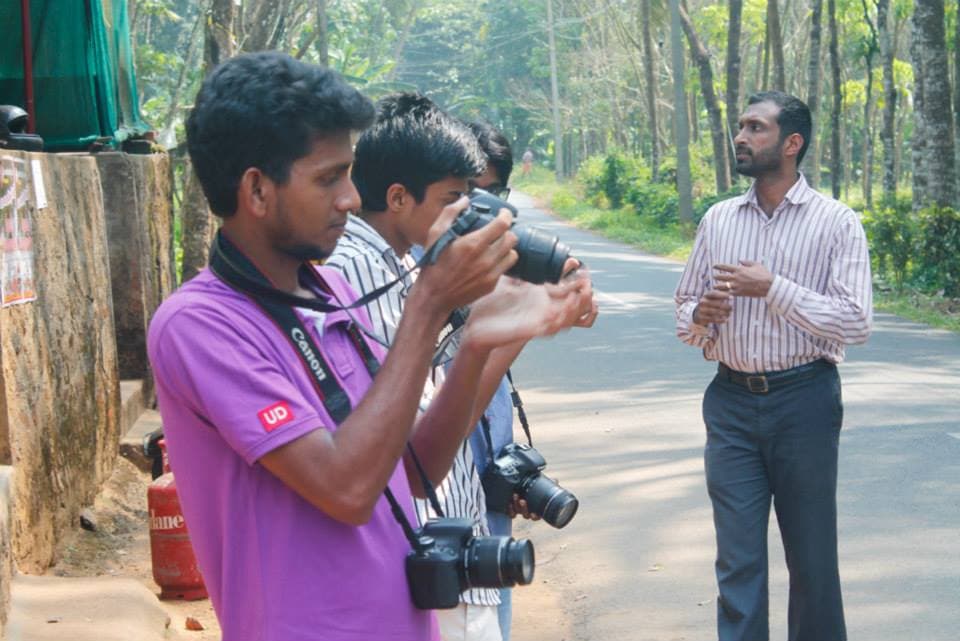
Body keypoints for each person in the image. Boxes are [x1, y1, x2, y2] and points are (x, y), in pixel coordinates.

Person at [147, 52, 593, 641]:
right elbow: (348, 489)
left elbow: (412, 470)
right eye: (329, 178)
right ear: (256, 190)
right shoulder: (201, 325)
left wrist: (482, 341)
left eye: (349, 174)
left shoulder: (325, 293)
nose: (353, 199)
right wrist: (428, 307)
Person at [324, 97, 592, 641]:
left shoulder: (403, 262)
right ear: (398, 197)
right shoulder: (353, 269)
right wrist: (501, 332)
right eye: (454, 199)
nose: (468, 215)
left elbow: (440, 406)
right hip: (419, 551)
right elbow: (413, 447)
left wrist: (510, 325)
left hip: (450, 546)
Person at [674, 91, 872, 641]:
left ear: (792, 143)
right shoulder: (718, 220)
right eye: (740, 127)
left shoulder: (836, 223)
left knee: (811, 560)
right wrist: (702, 314)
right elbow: (684, 310)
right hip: (730, 403)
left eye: (755, 128)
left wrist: (774, 288)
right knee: (737, 560)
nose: (740, 137)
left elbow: (856, 323)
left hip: (804, 401)